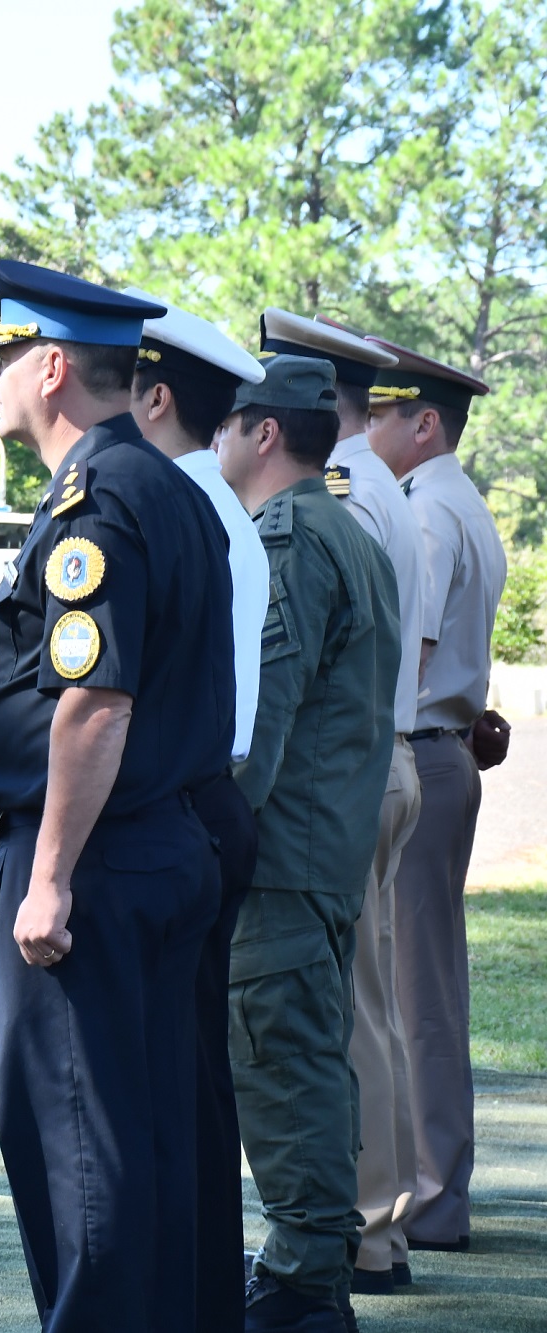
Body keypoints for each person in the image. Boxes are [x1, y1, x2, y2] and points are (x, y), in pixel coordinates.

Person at [0, 261, 232, 1329]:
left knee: (81, 1153)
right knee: (158, 1140)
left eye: (7, 358)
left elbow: (94, 704)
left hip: (95, 860)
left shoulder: (99, 496)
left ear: (52, 367)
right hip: (160, 843)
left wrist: (50, 878)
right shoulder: (166, 485)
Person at [215, 354, 400, 1332]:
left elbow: (259, 724)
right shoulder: (349, 530)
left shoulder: (286, 536)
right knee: (314, 1061)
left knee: (282, 1063)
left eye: (225, 422)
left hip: (281, 856)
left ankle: (300, 1279)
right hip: (323, 849)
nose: (215, 439)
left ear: (262, 432)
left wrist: (211, 840)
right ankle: (310, 1271)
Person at [260, 310, 425, 1293]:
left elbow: (297, 679)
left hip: (333, 784)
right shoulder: (368, 496)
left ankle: (353, 1237)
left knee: (330, 1022)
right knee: (364, 1013)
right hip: (373, 769)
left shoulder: (333, 508)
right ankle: (371, 1227)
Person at [126, 294, 268, 1333]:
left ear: (156, 400)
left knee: (158, 1083)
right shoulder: (217, 507)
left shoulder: (168, 507)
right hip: (212, 794)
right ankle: (204, 1293)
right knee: (195, 1081)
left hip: (173, 799)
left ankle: (174, 1296)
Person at [361, 336, 506, 1255]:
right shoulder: (460, 501)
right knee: (425, 987)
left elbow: (409, 660)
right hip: (447, 750)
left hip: (420, 749)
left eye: (381, 412)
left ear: (424, 424)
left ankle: (431, 1198)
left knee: (415, 994)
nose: (367, 425)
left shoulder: (424, 511)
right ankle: (433, 1190)